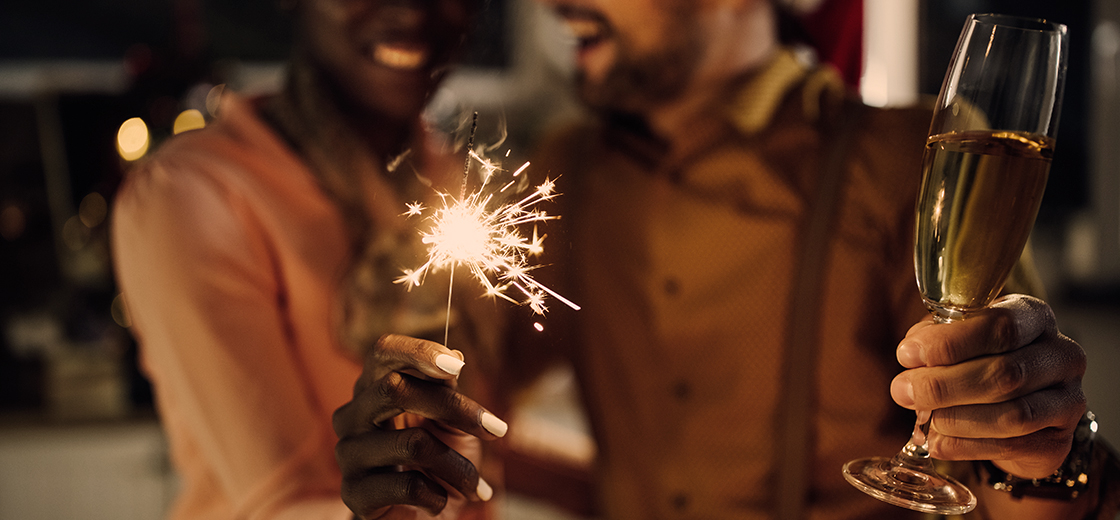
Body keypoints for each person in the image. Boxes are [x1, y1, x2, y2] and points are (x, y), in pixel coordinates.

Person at [332, 0, 1120, 519]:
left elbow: (1015, 459)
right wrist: (417, 439)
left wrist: (1053, 450)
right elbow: (473, 392)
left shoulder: (895, 162)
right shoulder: (573, 171)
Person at [110, 0, 509, 518]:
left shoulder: (444, 178)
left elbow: (481, 445)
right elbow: (285, 501)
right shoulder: (192, 195)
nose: (412, 9)